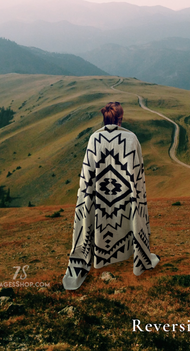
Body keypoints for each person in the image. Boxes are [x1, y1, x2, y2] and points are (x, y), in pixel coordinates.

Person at [62, 101, 160, 290]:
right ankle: (132, 255)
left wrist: (86, 194)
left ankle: (100, 256)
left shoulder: (94, 139)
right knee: (124, 219)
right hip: (125, 196)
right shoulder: (131, 138)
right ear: (120, 119)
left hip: (99, 196)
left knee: (102, 220)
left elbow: (87, 173)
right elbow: (137, 172)